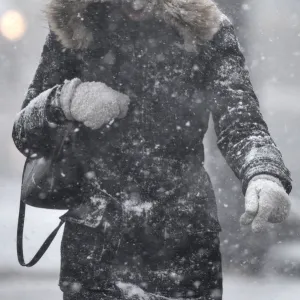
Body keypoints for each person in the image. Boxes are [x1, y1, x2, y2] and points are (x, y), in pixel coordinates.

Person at [12, 0, 292, 299]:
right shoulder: (74, 24)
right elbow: (25, 133)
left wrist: (263, 172)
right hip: (95, 251)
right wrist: (66, 100)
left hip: (183, 246)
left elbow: (241, 121)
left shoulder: (206, 28)